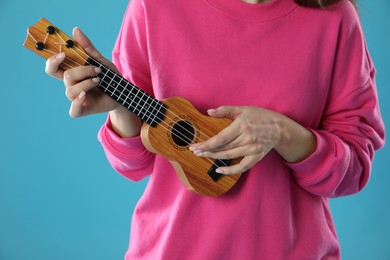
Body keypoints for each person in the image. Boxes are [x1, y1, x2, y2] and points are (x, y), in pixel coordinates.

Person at [45, 0, 385, 258]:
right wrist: (120, 107)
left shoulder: (336, 20)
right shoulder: (154, 7)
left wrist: (281, 132)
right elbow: (133, 165)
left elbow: (353, 170)